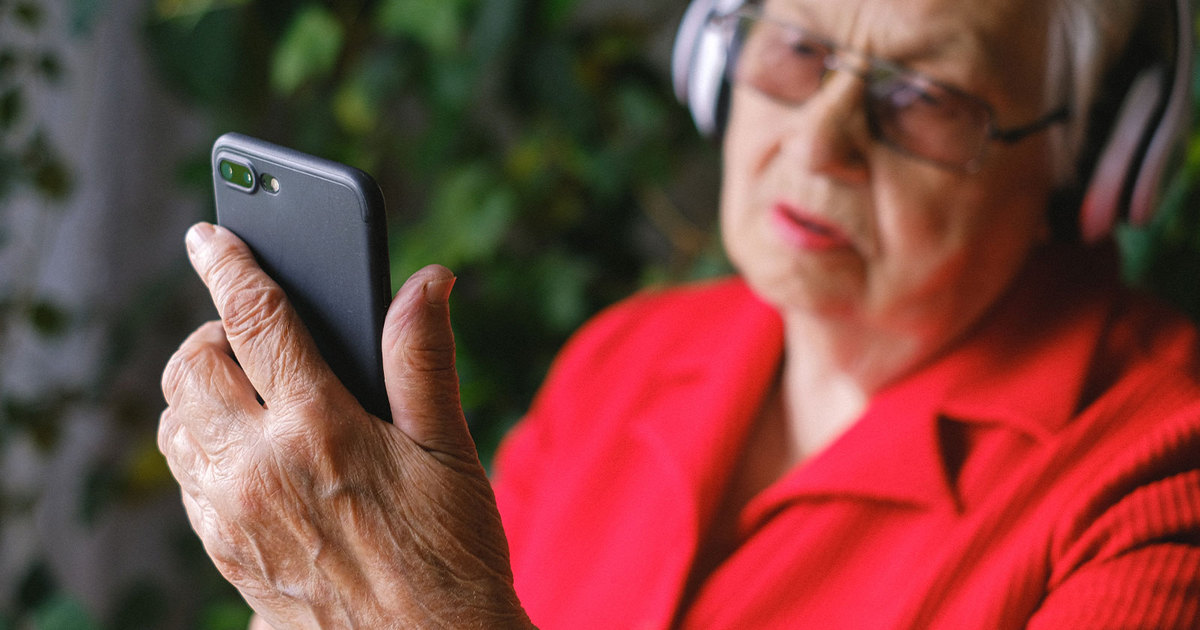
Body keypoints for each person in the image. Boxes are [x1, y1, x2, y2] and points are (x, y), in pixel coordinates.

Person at [158, 0, 1200, 627]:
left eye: (926, 96)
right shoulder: (631, 354)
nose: (820, 142)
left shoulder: (1163, 482)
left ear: (1093, 165)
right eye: (794, 46)